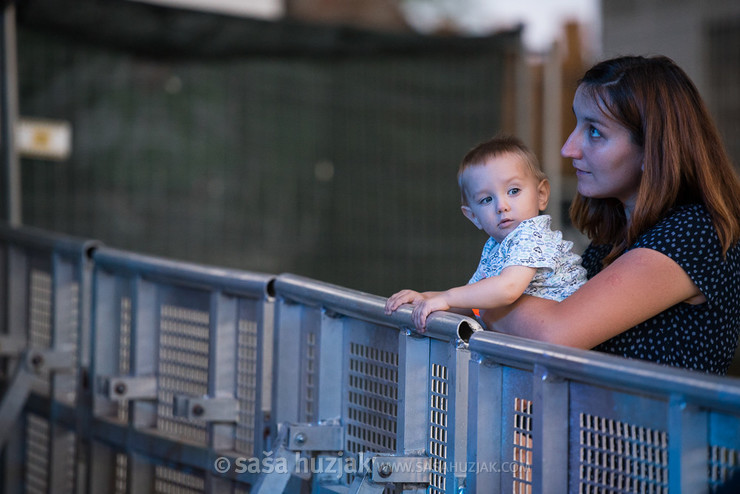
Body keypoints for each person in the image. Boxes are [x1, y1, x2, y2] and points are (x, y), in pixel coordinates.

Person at [479, 55, 740, 374]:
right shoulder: (615, 239)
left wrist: (482, 297)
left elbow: (553, 331)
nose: (569, 148)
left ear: (651, 150)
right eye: (577, 124)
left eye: (595, 132)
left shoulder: (694, 233)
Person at [384, 135, 587, 331]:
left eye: (514, 191)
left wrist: (446, 298)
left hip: (567, 345)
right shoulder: (495, 247)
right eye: (486, 200)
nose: (502, 206)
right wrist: (425, 298)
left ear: (541, 194)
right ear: (473, 217)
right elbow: (473, 299)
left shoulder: (532, 234)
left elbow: (508, 288)